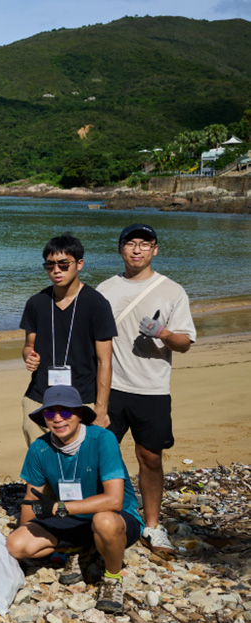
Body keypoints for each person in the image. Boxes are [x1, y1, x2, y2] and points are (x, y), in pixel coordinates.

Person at [97, 223, 195, 558]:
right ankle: (100, 519)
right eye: (130, 244)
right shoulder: (105, 289)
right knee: (100, 456)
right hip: (110, 388)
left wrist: (163, 333)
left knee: (150, 457)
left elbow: (185, 343)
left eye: (144, 244)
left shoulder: (172, 291)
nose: (137, 250)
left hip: (152, 389)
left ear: (155, 250)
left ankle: (152, 526)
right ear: (120, 249)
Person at [5, 385, 144, 615]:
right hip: (71, 518)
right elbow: (31, 498)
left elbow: (114, 500)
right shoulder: (39, 448)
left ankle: (112, 579)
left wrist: (59, 507)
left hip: (115, 518)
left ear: (79, 414)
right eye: (50, 413)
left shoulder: (103, 439)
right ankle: (81, 548)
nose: (58, 419)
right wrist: (22, 543)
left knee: (104, 522)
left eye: (66, 412)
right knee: (16, 544)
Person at [20, 233, 116, 444]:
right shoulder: (36, 303)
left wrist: (100, 408)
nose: (56, 270)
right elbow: (28, 346)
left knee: (79, 464)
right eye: (50, 264)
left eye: (64, 264)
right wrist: (29, 356)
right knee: (42, 461)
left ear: (79, 264)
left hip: (82, 399)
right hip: (40, 396)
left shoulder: (97, 304)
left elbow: (105, 361)